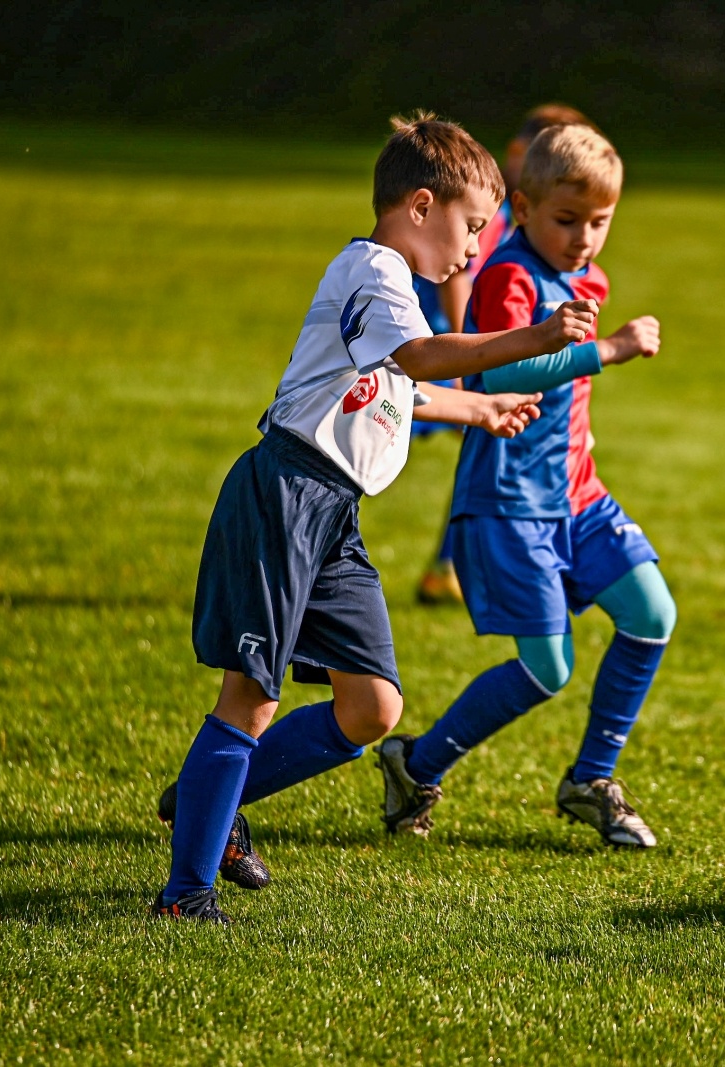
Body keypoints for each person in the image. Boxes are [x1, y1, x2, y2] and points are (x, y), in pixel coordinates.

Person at [151, 112, 602, 923]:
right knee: (251, 697)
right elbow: (420, 357)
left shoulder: (396, 288)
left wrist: (480, 409)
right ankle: (187, 893)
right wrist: (530, 336)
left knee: (372, 709)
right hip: (286, 494)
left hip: (334, 513)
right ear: (420, 206)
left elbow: (405, 388)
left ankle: (202, 801)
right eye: (471, 227)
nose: (475, 248)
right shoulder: (374, 270)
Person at [376, 123, 674, 849]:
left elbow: (560, 389)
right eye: (567, 221)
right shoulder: (507, 276)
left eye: (600, 223)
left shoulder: (588, 278)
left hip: (578, 493)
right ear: (525, 206)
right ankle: (416, 762)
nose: (584, 239)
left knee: (651, 615)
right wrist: (610, 350)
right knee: (548, 668)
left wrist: (582, 428)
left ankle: (590, 778)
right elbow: (498, 375)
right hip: (511, 503)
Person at [411, 103, 596, 606]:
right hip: (437, 348)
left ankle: (446, 566)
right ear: (520, 153)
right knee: (367, 425)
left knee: (486, 443)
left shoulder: (522, 211)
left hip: (469, 349)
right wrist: (464, 360)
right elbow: (462, 275)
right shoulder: (491, 204)